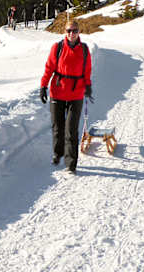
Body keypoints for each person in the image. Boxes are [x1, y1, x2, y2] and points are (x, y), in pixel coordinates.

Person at [39, 20, 92, 174]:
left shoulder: (84, 49)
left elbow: (87, 70)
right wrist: (43, 86)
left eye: (74, 30)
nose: (71, 33)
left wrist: (88, 86)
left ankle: (71, 163)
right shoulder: (58, 47)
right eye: (69, 30)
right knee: (57, 127)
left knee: (71, 130)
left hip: (76, 93)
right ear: (65, 31)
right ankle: (58, 153)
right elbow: (49, 68)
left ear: (79, 32)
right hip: (58, 92)